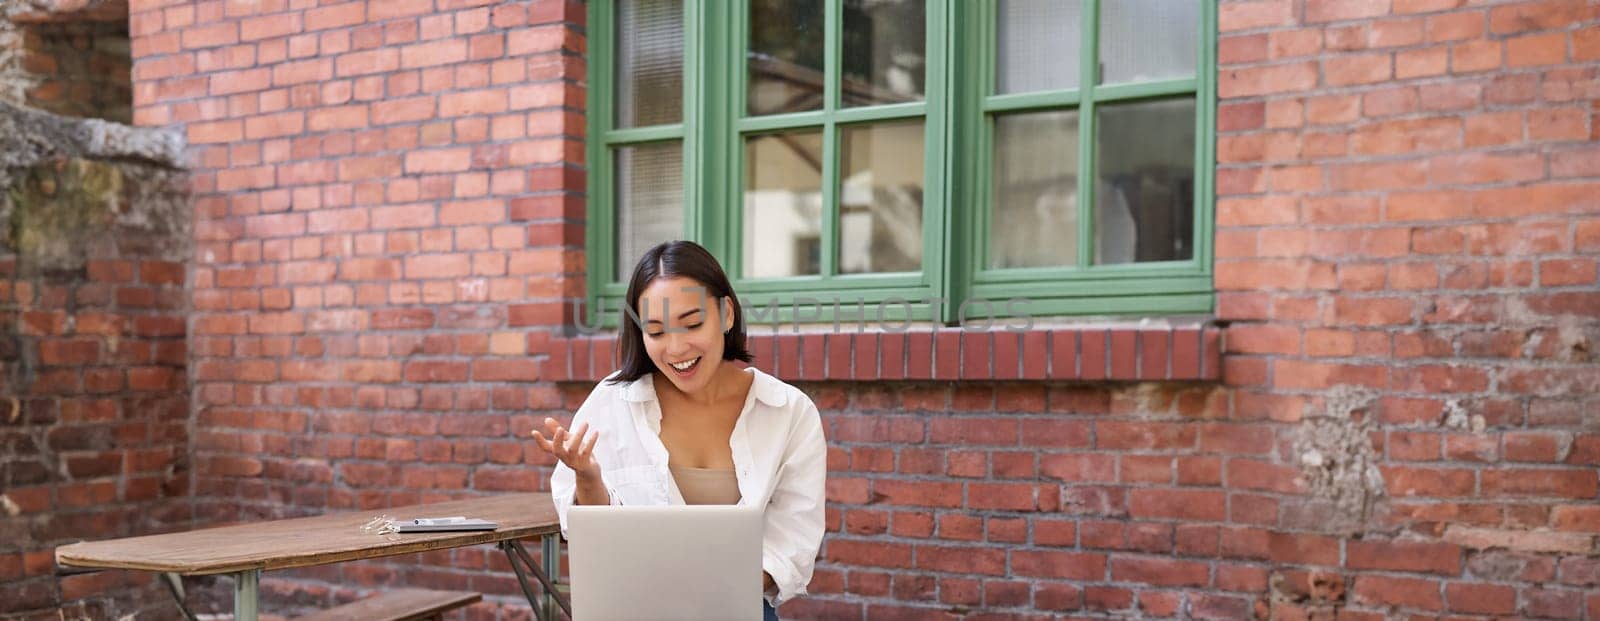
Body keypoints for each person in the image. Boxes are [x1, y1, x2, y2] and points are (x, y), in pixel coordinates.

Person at [532, 240, 827, 620]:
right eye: (656, 332)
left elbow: (795, 536)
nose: (675, 348)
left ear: (726, 314)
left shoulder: (788, 412)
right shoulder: (612, 403)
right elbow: (594, 537)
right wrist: (588, 478)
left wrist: (715, 593)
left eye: (691, 324)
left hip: (736, 608)